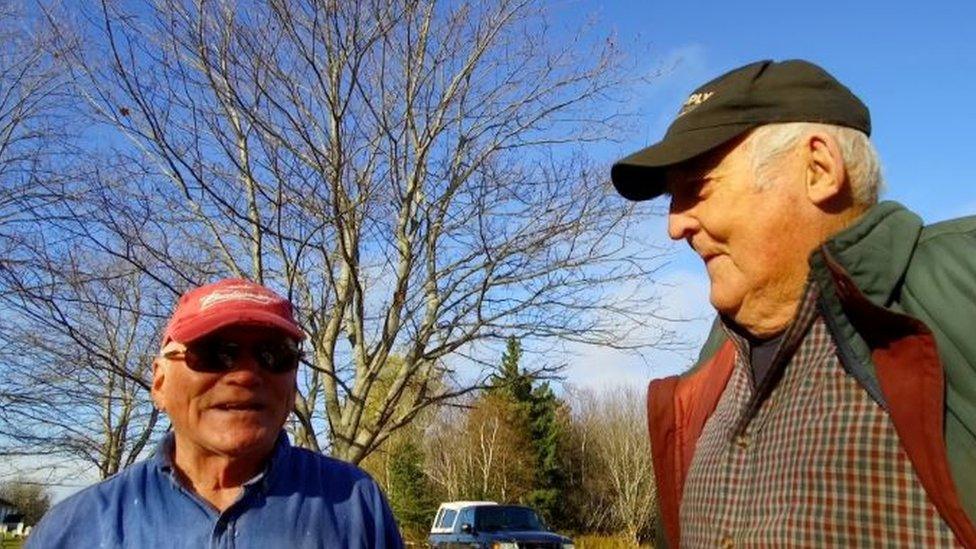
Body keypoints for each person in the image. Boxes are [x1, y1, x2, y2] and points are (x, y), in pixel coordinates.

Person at [612, 59, 976, 547]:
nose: (675, 227)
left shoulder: (961, 286)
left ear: (819, 169)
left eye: (697, 187)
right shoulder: (703, 381)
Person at [28, 278, 404, 548]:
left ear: (292, 388)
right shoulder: (76, 528)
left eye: (274, 355)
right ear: (159, 383)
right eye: (214, 353)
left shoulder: (356, 504)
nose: (244, 375)